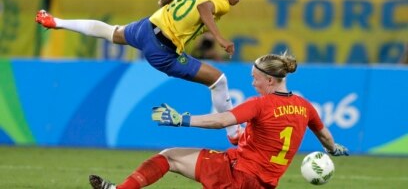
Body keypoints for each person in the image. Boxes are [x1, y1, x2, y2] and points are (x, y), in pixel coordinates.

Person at [35, 0, 247, 143]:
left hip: (146, 28)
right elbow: (203, 8)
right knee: (218, 80)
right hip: (163, 50)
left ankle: (56, 21)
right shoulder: (221, 2)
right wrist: (220, 38)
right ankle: (233, 132)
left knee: (112, 32)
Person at [88, 52, 349, 189]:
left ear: (270, 80)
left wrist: (183, 120)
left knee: (168, 157)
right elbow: (325, 136)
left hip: (237, 174)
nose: (252, 81)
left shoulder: (261, 104)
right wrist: (333, 150)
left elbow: (222, 119)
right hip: (262, 185)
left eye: (255, 77)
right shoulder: (305, 107)